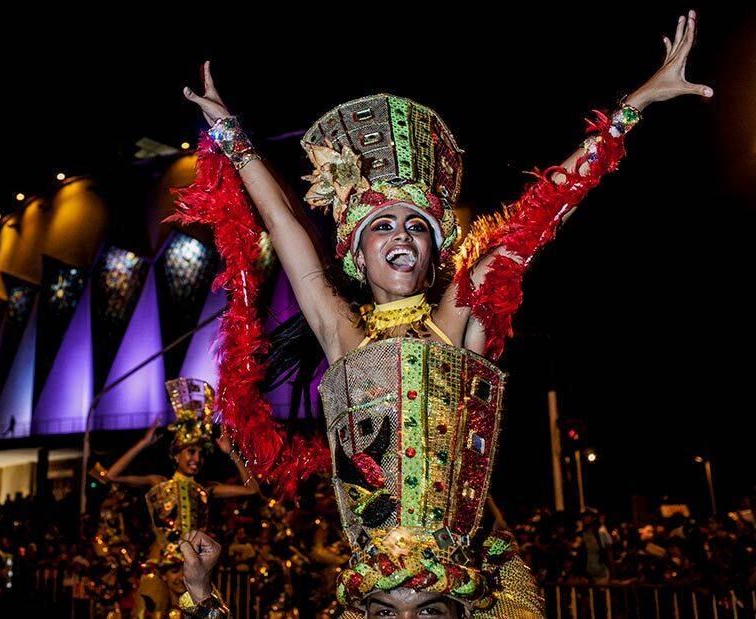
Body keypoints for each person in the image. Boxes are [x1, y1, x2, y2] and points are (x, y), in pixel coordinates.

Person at [179, 9, 711, 618]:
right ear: (355, 254)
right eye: (381, 225)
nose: (400, 234)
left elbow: (540, 212)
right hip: (378, 593)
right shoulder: (342, 337)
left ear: (434, 251)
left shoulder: (458, 319)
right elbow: (284, 226)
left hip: (457, 593)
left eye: (416, 225)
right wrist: (233, 138)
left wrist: (633, 107)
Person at [105, 378, 260, 616]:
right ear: (176, 454)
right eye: (190, 452)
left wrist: (232, 454)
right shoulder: (160, 483)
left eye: (200, 453)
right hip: (160, 565)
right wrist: (143, 444)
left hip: (194, 567)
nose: (196, 459)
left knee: (214, 613)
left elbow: (252, 490)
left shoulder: (206, 488)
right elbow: (112, 476)